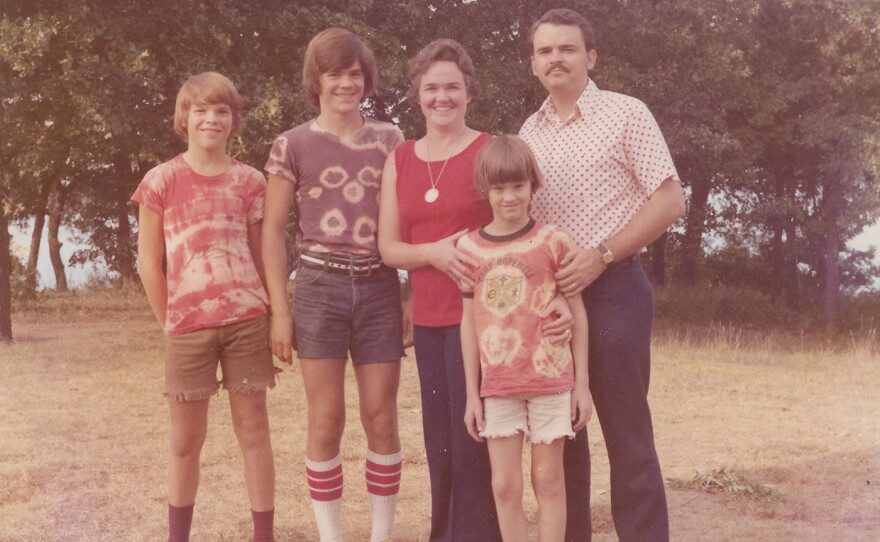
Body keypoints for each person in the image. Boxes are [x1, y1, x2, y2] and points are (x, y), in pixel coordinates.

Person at [519, 8, 688, 542]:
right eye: (545, 50)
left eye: (567, 48)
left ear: (590, 57)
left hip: (615, 290)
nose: (556, 58)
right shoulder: (529, 130)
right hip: (553, 302)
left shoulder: (625, 113)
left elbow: (670, 200)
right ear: (533, 64)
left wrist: (604, 253)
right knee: (562, 433)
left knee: (626, 435)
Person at [261, 28, 404, 542]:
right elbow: (273, 230)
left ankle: (381, 535)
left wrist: (406, 293)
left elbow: (403, 225)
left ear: (365, 80)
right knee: (326, 418)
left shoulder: (391, 140)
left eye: (354, 74)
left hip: (380, 286)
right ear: (315, 80)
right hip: (319, 287)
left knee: (380, 415)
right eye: (334, 73)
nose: (345, 83)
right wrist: (281, 309)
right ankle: (331, 536)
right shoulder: (292, 144)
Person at [133, 72, 277, 542]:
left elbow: (262, 254)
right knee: (184, 441)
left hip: (247, 323)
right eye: (201, 111)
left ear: (234, 121)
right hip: (187, 329)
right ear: (184, 118)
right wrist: (170, 323)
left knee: (253, 431)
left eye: (221, 111)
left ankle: (264, 535)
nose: (211, 119)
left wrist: (276, 312)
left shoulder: (252, 182)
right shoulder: (161, 180)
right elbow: (148, 265)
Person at [377, 38, 502, 542]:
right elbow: (389, 247)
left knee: (473, 438)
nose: (442, 97)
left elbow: (515, 232)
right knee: (440, 443)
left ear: (469, 92)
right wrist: (431, 253)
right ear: (418, 94)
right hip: (428, 319)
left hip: (483, 318)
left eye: (452, 86)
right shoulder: (400, 158)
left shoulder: (490, 151)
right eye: (432, 87)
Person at [459, 135, 592, 542]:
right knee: (505, 485)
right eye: (499, 188)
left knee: (549, 481)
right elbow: (468, 323)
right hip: (498, 386)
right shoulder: (469, 248)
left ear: (532, 185)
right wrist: (472, 394)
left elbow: (579, 314)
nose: (509, 196)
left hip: (551, 381)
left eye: (518, 186)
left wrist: (581, 386)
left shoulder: (554, 241)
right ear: (485, 190)